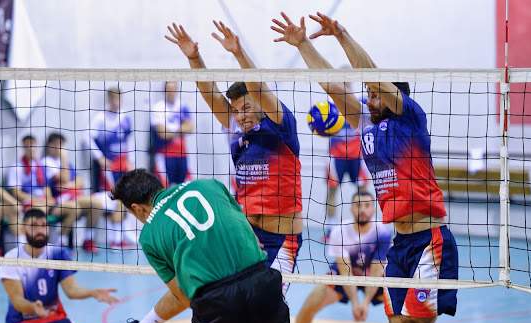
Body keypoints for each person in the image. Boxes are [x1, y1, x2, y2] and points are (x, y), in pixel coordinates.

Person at [271, 12, 458, 323]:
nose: (368, 99)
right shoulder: (366, 128)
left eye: (374, 95)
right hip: (400, 246)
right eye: (368, 95)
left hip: (430, 242)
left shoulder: (410, 120)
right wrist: (303, 45)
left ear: (392, 99)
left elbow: (373, 74)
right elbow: (331, 86)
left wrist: (341, 34)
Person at [166, 22, 303, 293]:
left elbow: (259, 88)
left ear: (261, 106)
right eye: (237, 110)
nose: (242, 115)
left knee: (268, 315)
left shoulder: (280, 125)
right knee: (235, 309)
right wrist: (194, 58)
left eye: (247, 108)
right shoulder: (235, 128)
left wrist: (239, 53)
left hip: (280, 240)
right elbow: (209, 92)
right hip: (244, 235)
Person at [97, 169, 289, 323]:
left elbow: (184, 296)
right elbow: (248, 231)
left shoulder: (148, 236)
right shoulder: (209, 185)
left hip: (218, 303)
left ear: (138, 208)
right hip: (263, 284)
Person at [0, 208, 119, 323]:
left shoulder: (58, 253)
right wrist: (32, 307)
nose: (40, 229)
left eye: (43, 225)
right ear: (23, 229)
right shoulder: (11, 258)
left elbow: (71, 290)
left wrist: (93, 292)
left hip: (57, 321)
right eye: (34, 226)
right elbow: (17, 301)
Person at [284, 191, 391, 323]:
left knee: (401, 310)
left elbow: (377, 271)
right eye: (358, 205)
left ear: (373, 210)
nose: (362, 209)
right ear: (351, 209)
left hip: (372, 277)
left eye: (367, 205)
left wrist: (365, 302)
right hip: (345, 275)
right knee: (308, 306)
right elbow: (345, 271)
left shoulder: (383, 232)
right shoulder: (340, 231)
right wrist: (356, 303)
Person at [42, 133, 132, 251]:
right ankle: (62, 242)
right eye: (55, 144)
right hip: (61, 199)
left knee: (109, 200)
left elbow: (80, 182)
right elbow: (64, 177)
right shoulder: (47, 162)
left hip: (76, 196)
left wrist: (69, 185)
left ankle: (96, 239)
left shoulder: (66, 164)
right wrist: (64, 158)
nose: (59, 147)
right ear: (49, 145)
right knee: (93, 203)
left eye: (61, 144)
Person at [82, 88, 134, 252]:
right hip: (107, 169)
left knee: (124, 199)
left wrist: (131, 161)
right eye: (113, 98)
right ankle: (114, 240)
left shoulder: (125, 117)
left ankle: (119, 238)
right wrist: (99, 157)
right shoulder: (100, 118)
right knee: (113, 200)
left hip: (122, 167)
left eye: (119, 98)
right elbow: (86, 137)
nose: (116, 101)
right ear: (109, 99)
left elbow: (128, 141)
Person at [8, 135, 75, 247]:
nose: (31, 148)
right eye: (28, 146)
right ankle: (36, 244)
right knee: (40, 209)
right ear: (23, 148)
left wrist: (49, 199)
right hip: (29, 203)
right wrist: (36, 200)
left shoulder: (39, 165)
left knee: (73, 208)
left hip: (44, 202)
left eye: (33, 145)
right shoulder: (17, 167)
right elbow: (16, 193)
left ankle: (60, 242)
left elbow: (46, 187)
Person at [324, 77, 370, 225]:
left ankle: (365, 223)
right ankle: (331, 228)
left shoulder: (360, 103)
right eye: (341, 81)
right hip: (336, 156)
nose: (344, 85)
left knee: (363, 191)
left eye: (347, 82)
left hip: (357, 155)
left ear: (351, 83)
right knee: (332, 191)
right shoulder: (328, 109)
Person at [150, 81, 194, 187]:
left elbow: (190, 128)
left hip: (181, 154)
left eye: (173, 89)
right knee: (162, 189)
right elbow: (163, 134)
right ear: (164, 91)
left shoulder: (182, 106)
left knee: (186, 188)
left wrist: (171, 130)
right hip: (164, 155)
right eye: (169, 89)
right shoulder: (158, 107)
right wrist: (180, 129)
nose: (171, 92)